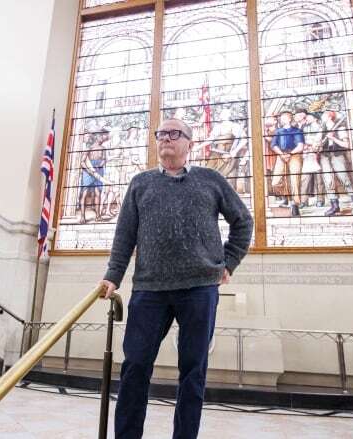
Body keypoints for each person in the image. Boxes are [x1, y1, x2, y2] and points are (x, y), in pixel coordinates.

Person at [99, 118, 253, 439]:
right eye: (161, 134)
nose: (166, 138)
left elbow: (243, 221)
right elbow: (124, 235)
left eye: (174, 134)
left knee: (193, 372)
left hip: (199, 288)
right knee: (135, 367)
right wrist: (113, 276)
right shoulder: (140, 184)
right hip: (149, 289)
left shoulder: (210, 180)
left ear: (189, 143)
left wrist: (229, 262)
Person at [269, 110, 305, 216]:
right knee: (275, 181)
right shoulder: (278, 131)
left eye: (284, 117)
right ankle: (286, 197)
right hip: (281, 155)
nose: (282, 119)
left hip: (294, 156)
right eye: (281, 118)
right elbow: (273, 145)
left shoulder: (297, 130)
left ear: (290, 118)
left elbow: (300, 146)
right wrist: (281, 154)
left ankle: (295, 205)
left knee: (294, 179)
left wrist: (290, 154)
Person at [319, 110, 353, 215]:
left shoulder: (340, 128)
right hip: (325, 156)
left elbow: (346, 145)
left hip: (337, 155)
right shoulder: (322, 130)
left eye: (324, 116)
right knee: (328, 181)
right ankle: (334, 205)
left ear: (330, 117)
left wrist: (333, 138)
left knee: (344, 178)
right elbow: (317, 143)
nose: (322, 118)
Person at [79, 130, 110, 223]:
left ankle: (98, 215)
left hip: (99, 171)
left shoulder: (103, 148)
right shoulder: (89, 148)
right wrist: (89, 170)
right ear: (97, 137)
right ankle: (82, 217)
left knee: (98, 193)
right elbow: (82, 161)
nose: (103, 139)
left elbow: (104, 160)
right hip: (88, 171)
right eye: (102, 136)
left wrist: (100, 165)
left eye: (105, 137)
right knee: (84, 193)